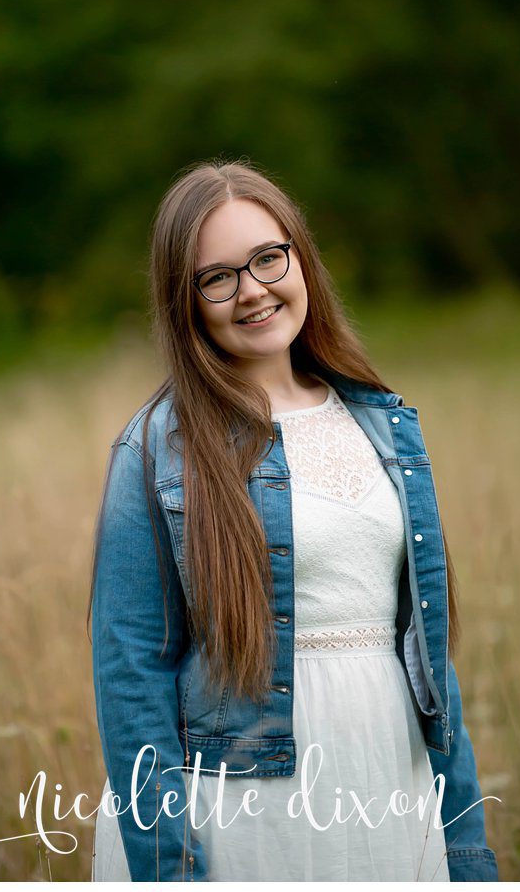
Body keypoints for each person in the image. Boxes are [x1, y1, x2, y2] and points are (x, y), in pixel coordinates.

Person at [88, 160, 498, 882]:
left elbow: (429, 652)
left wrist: (467, 848)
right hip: (243, 808)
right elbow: (129, 677)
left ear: (299, 257)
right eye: (217, 276)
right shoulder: (158, 448)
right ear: (185, 300)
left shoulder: (384, 422)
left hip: (387, 779)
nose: (252, 289)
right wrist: (169, 868)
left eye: (267, 257)